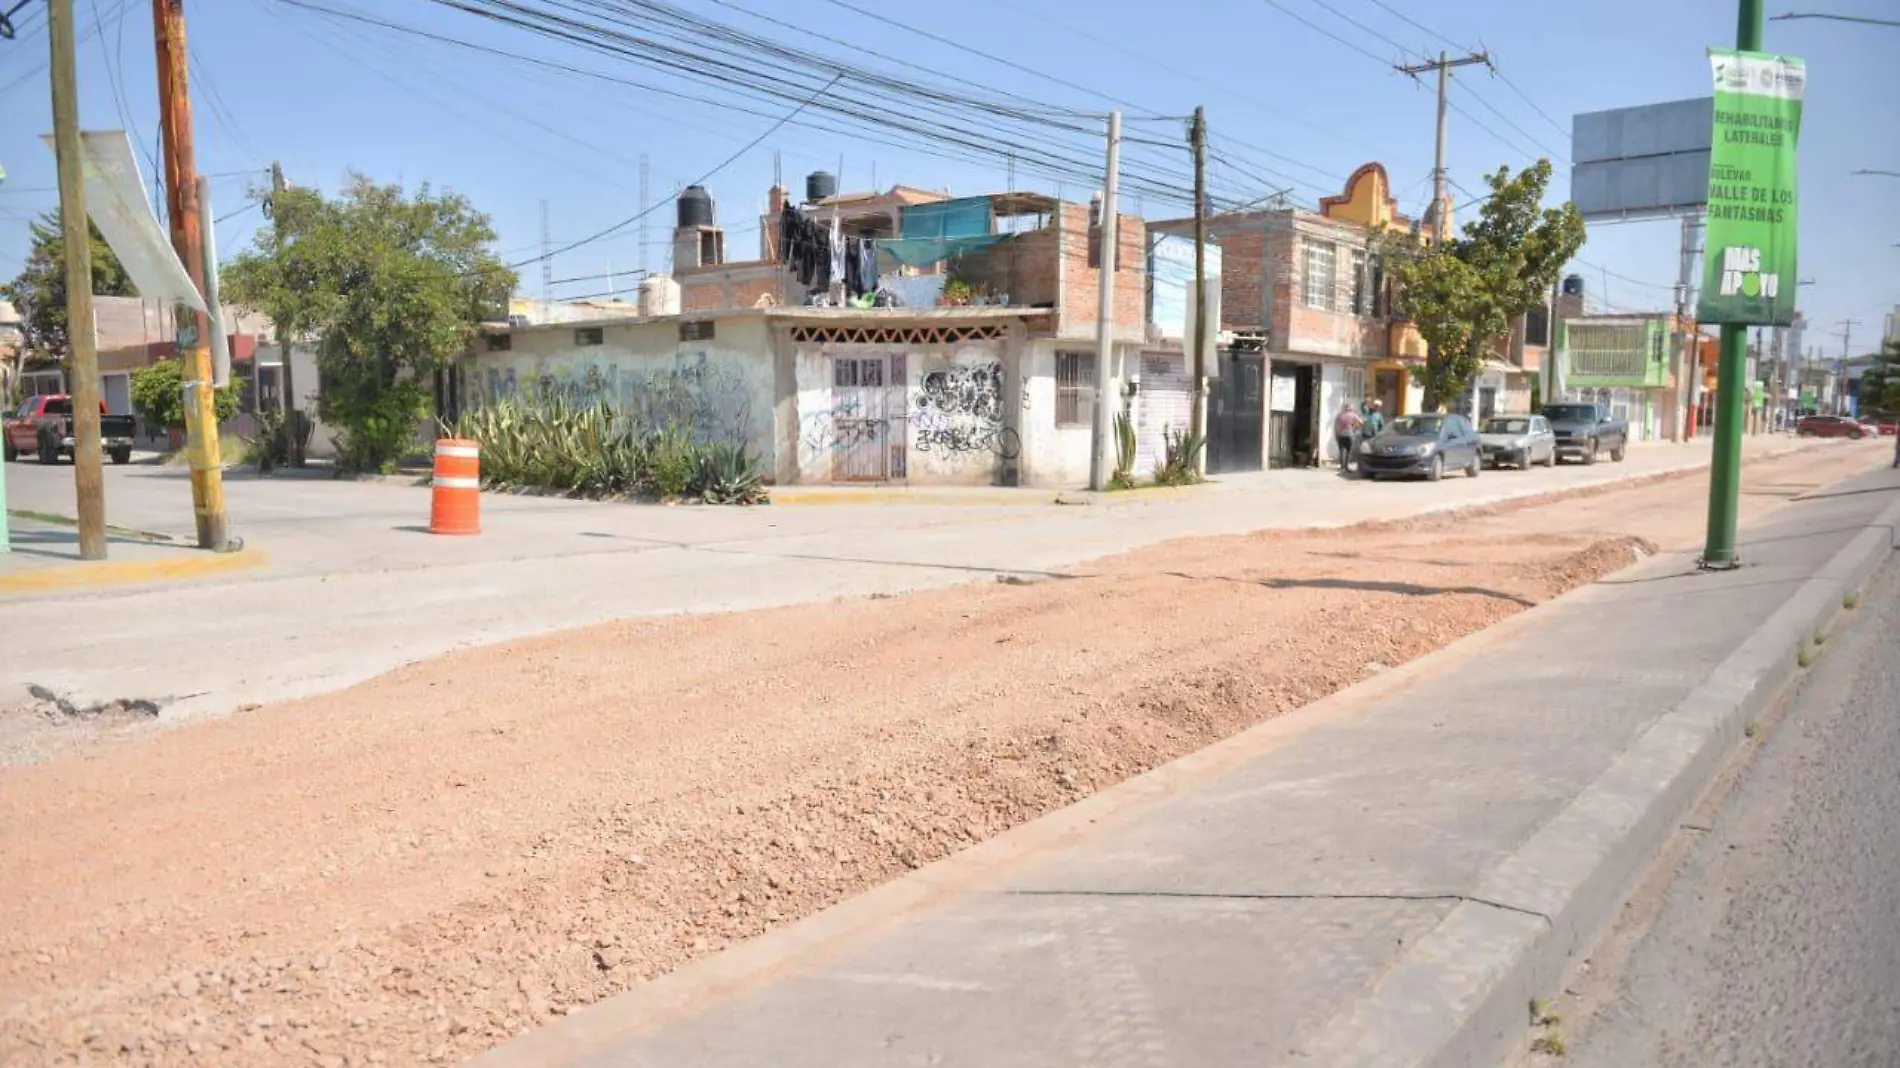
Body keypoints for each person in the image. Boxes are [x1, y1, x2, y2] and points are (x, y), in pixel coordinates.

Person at [1333, 401, 1364, 471]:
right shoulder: (1353, 415)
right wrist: (1355, 426)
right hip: (1350, 434)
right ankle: (1346, 466)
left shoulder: (1339, 415)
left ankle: (1342, 467)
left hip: (1340, 434)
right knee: (1349, 451)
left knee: (1342, 450)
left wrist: (1336, 434)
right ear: (1350, 408)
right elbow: (1361, 422)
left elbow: (1336, 425)